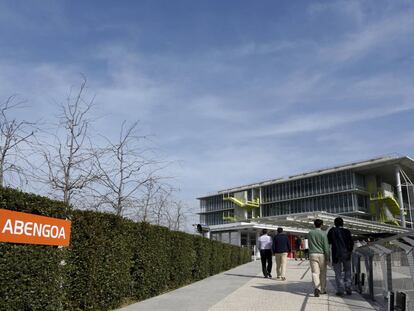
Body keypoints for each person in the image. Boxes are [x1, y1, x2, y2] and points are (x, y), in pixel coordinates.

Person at [328, 217, 354, 296]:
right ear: (343, 223)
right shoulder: (347, 231)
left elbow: (329, 241)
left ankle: (340, 290)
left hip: (336, 254)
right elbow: (351, 243)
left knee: (338, 273)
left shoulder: (332, 231)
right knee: (348, 271)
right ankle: (348, 287)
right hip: (346, 254)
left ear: (335, 223)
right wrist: (349, 251)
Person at [308, 219, 329, 297]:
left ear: (314, 224)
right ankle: (322, 290)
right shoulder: (323, 233)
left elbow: (309, 244)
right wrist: (327, 256)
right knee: (323, 272)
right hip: (322, 255)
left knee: (315, 273)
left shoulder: (310, 233)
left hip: (312, 254)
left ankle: (317, 288)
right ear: (322, 225)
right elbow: (326, 246)